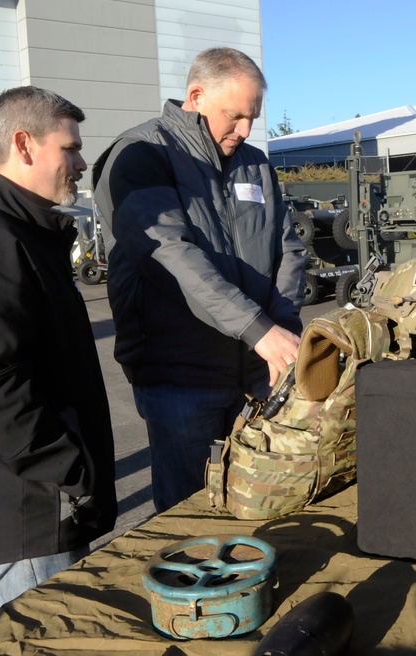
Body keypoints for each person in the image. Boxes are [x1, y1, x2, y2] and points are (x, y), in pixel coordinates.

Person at [93, 47, 306, 513]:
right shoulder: (142, 156)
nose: (245, 130)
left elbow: (287, 249)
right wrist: (259, 330)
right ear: (195, 95)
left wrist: (281, 328)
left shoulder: (254, 165)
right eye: (235, 116)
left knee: (261, 502)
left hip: (256, 372)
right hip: (181, 375)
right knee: (188, 513)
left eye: (252, 117)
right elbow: (171, 257)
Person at [0, 86, 117, 608]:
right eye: (70, 148)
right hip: (29, 515)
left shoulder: (25, 234)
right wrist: (72, 470)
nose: (80, 162)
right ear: (24, 144)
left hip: (46, 501)